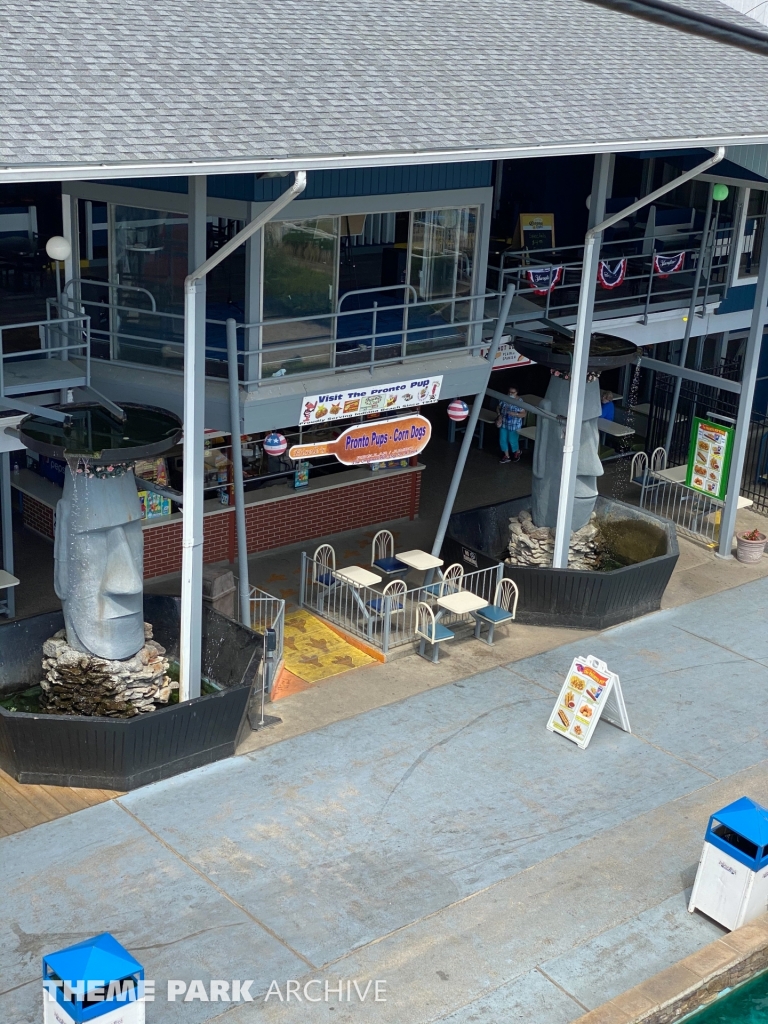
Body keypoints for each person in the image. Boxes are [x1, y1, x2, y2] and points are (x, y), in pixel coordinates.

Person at [496, 386, 525, 463]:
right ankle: (506, 456)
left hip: (514, 425)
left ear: (517, 393)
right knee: (502, 439)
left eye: (513, 392)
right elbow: (498, 407)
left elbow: (524, 414)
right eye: (509, 392)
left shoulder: (520, 401)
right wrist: (499, 415)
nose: (510, 394)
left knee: (512, 440)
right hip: (504, 423)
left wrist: (515, 414)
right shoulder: (505, 398)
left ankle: (517, 451)